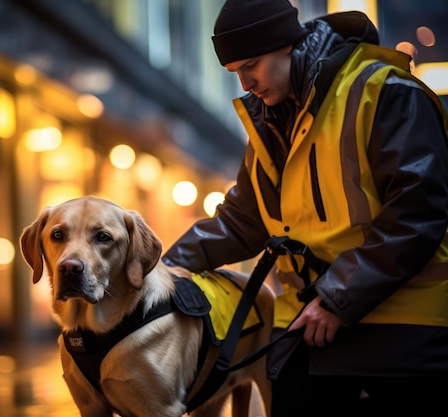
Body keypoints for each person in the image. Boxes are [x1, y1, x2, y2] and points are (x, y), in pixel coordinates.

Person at [162, 0, 448, 416]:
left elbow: (417, 211)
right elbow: (241, 221)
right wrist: (158, 273)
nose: (245, 83)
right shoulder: (270, 125)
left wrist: (337, 298)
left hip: (401, 332)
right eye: (235, 72)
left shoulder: (384, 92)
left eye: (252, 64)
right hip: (308, 326)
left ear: (286, 46)